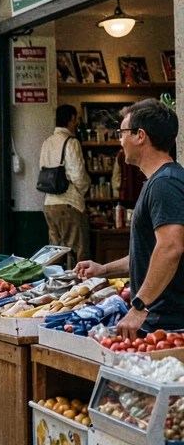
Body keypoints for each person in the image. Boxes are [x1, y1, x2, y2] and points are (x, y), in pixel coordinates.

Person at [75, 99, 184, 335]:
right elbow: (147, 255)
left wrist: (139, 306)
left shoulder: (164, 184)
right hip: (160, 321)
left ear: (140, 135)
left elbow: (170, 248)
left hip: (168, 324)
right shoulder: (160, 181)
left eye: (122, 132)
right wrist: (103, 270)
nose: (120, 139)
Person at [42, 104, 91, 262]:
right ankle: (76, 285)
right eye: (75, 119)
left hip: (49, 203)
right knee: (77, 252)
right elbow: (78, 176)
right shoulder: (71, 142)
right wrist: (83, 190)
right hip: (69, 203)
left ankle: (55, 283)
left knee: (55, 252)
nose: (76, 123)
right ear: (71, 119)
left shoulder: (47, 142)